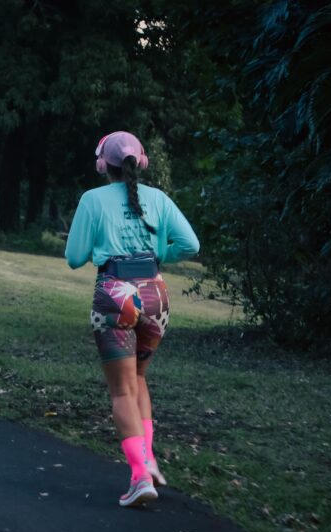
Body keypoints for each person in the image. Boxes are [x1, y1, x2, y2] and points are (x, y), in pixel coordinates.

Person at [65, 131, 200, 507]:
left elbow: (74, 258)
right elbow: (192, 244)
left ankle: (140, 476)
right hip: (156, 294)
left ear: (101, 164)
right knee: (139, 379)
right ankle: (150, 461)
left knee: (121, 390)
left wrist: (104, 248)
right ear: (140, 162)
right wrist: (157, 255)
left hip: (114, 293)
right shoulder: (159, 199)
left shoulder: (92, 200)